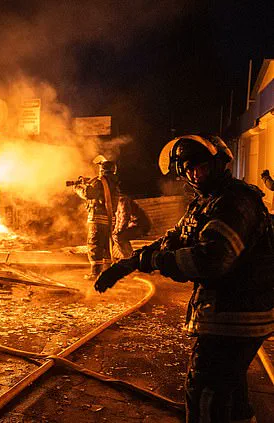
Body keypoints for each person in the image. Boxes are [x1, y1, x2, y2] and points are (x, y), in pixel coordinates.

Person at [95, 134, 274, 423]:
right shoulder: (207, 202)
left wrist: (157, 261)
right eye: (188, 168)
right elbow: (174, 238)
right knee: (231, 390)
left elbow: (212, 260)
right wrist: (130, 263)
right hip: (234, 312)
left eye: (200, 166)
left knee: (205, 391)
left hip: (235, 314)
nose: (194, 174)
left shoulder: (233, 202)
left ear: (218, 164)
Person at [74, 155, 120, 279]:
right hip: (109, 220)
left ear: (102, 170)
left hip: (97, 219)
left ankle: (95, 273)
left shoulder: (100, 182)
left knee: (94, 245)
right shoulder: (114, 183)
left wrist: (77, 188)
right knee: (106, 246)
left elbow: (88, 194)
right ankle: (107, 273)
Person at [112, 194, 151, 259]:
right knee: (116, 235)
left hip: (140, 226)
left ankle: (129, 257)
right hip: (135, 225)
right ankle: (128, 256)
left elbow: (125, 216)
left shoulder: (123, 201)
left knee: (119, 237)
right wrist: (116, 230)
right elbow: (118, 219)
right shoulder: (117, 203)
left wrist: (119, 230)